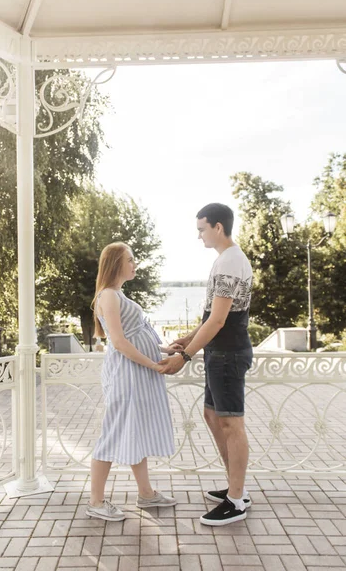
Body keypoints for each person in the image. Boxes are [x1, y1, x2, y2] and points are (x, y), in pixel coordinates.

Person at [158, 203, 253, 526]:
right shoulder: (224, 260)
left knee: (231, 423)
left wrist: (184, 357)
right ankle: (235, 488)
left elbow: (220, 320)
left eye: (201, 229)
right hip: (219, 352)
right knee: (212, 414)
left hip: (227, 353)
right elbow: (209, 318)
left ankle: (237, 500)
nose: (198, 236)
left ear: (218, 227)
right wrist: (187, 339)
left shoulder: (229, 262)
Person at [86, 241, 177, 522]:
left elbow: (135, 335)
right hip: (127, 375)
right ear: (116, 263)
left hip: (135, 375)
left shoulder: (117, 294)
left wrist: (164, 350)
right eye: (130, 259)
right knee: (112, 434)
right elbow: (120, 342)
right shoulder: (109, 296)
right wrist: (152, 363)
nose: (134, 263)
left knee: (134, 429)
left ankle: (146, 493)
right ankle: (96, 501)